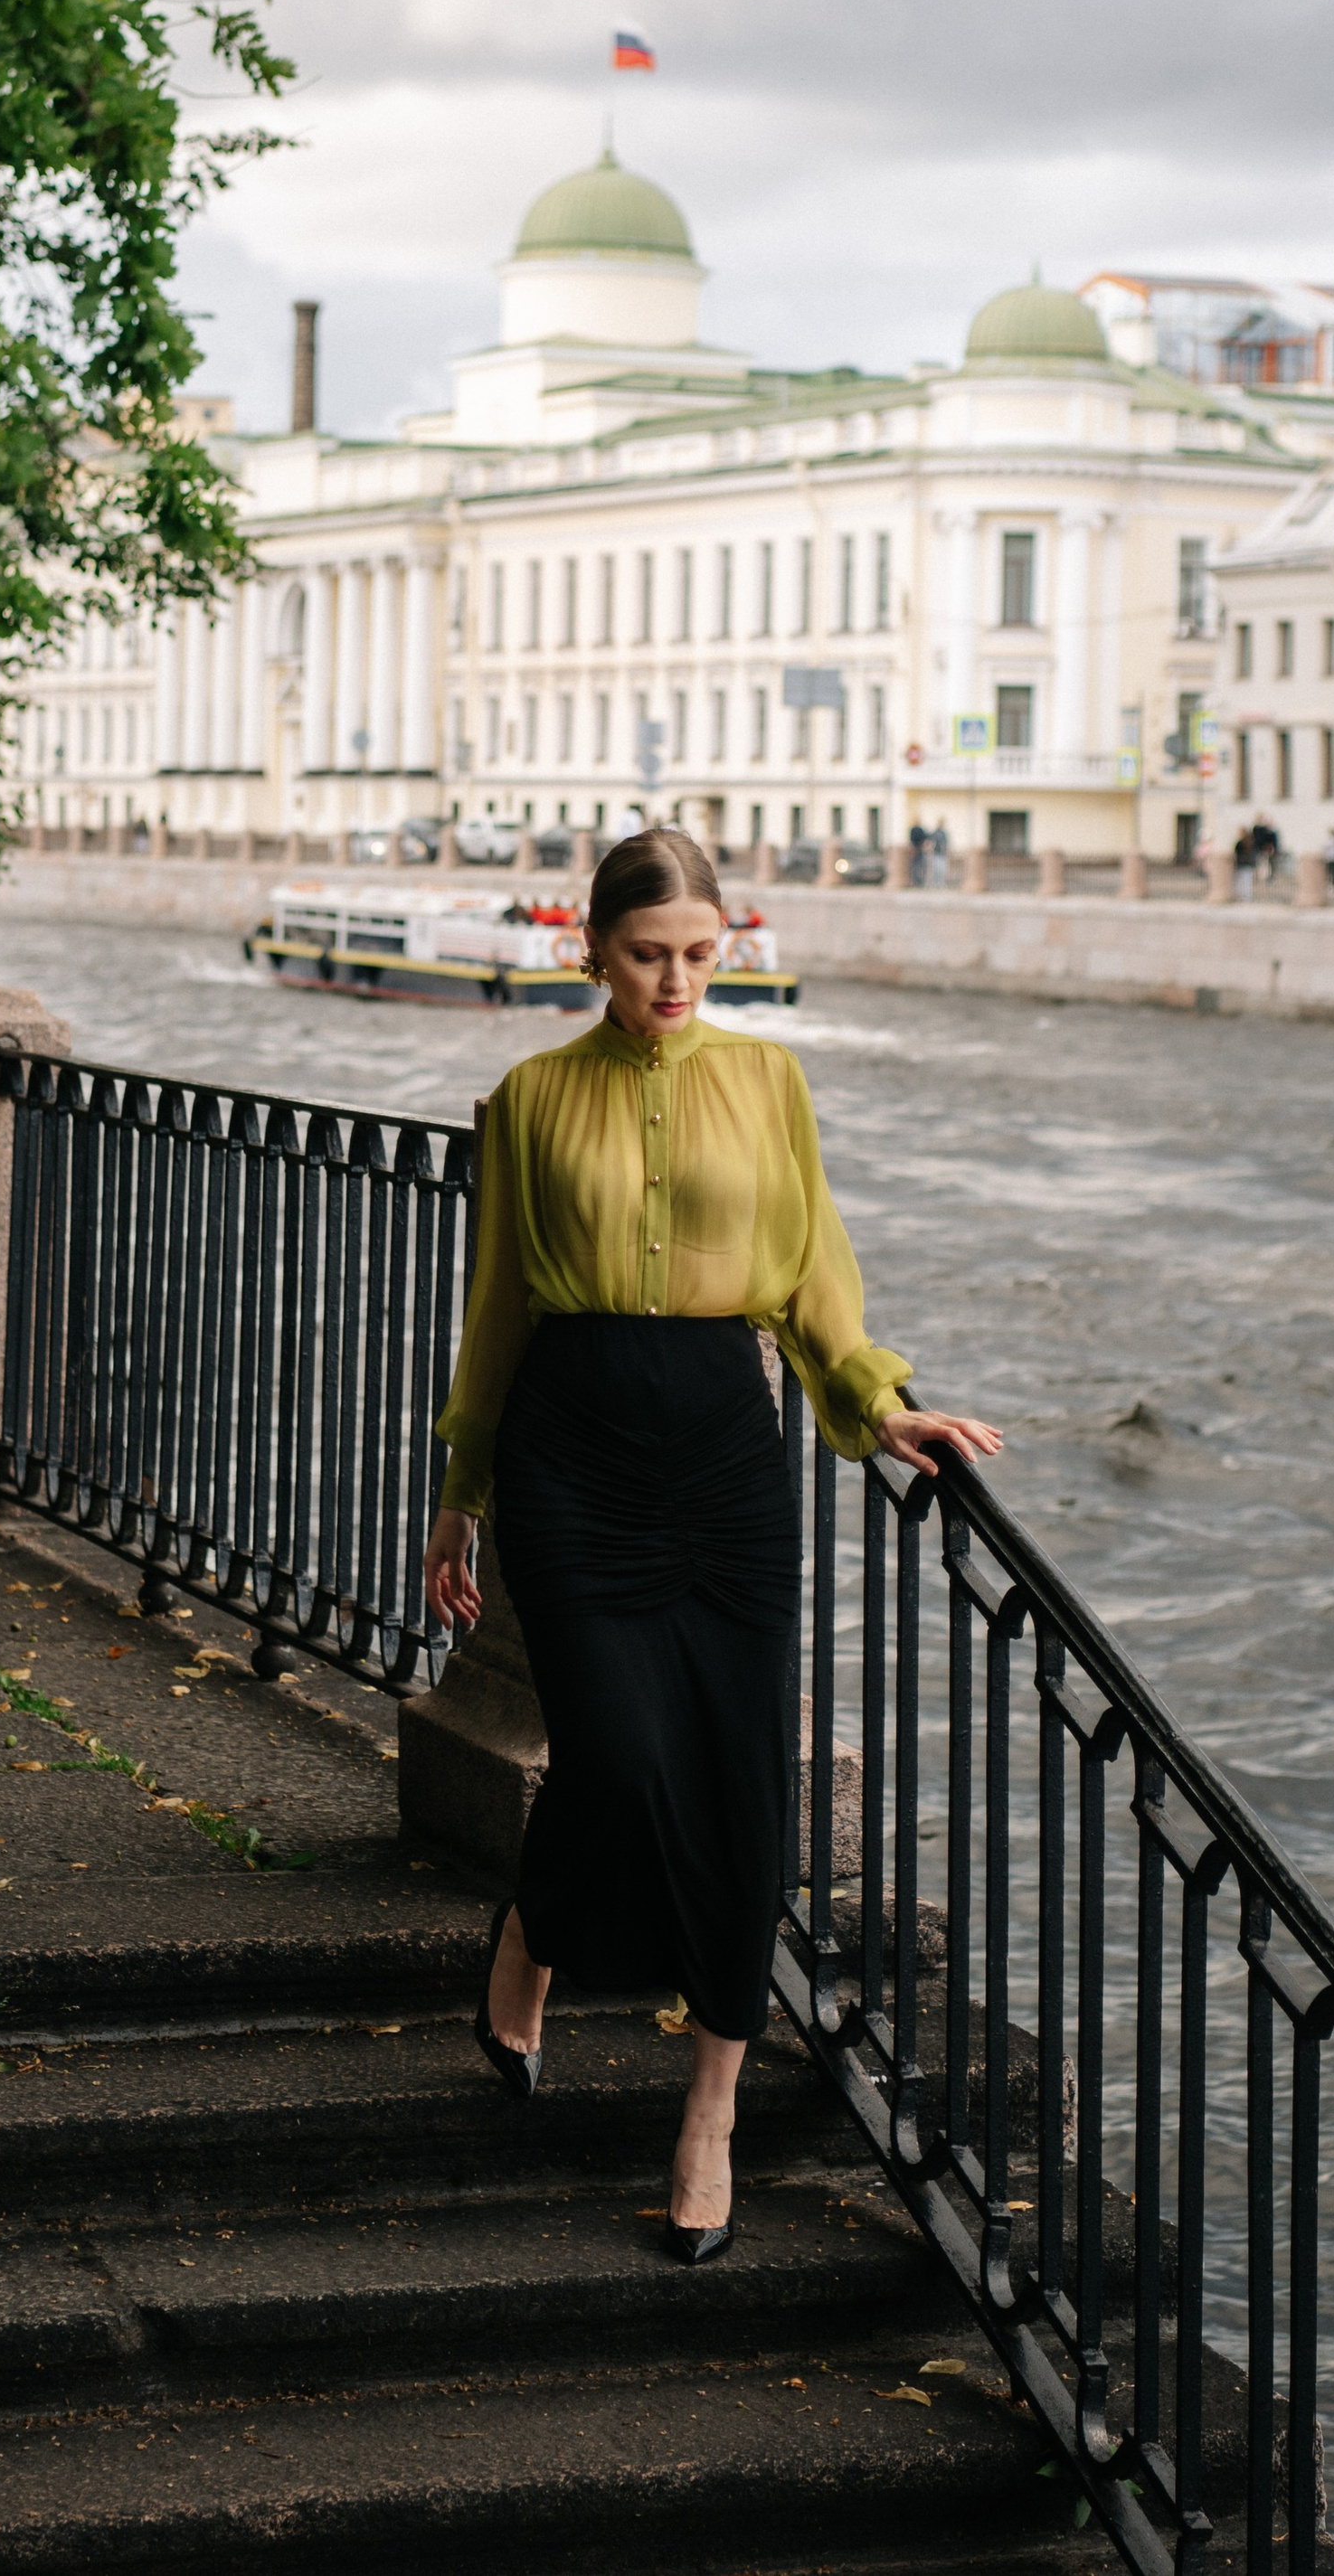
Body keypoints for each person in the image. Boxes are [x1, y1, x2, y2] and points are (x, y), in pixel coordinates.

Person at [420, 826, 1002, 2265]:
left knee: (740, 1780)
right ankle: (531, 1932)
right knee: (611, 1757)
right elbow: (498, 1307)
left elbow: (812, 1273)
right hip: (572, 1455)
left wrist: (881, 1402)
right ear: (590, 951)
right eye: (645, 955)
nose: (676, 980)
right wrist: (461, 1489)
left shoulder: (769, 1079)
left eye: (700, 953)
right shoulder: (531, 1097)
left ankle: (710, 2115)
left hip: (726, 1460)